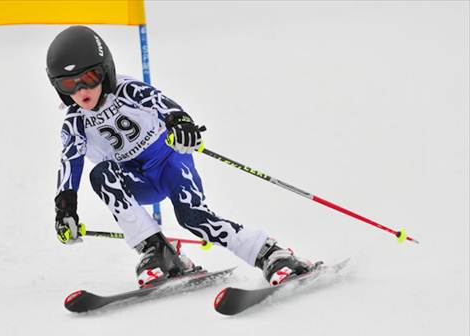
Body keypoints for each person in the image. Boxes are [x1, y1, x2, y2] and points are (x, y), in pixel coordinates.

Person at [46, 26, 311, 287]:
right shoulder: (75, 123)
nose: (82, 90)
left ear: (106, 71)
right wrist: (65, 207)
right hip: (136, 179)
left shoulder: (126, 91)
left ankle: (270, 254)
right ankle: (158, 251)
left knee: (193, 217)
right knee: (101, 175)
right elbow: (70, 161)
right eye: (69, 83)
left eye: (90, 77)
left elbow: (161, 103)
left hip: (169, 163)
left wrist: (181, 123)